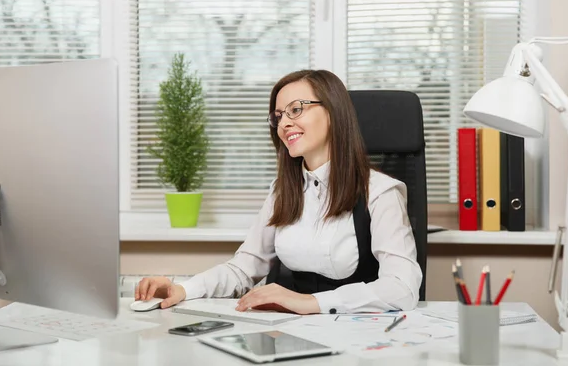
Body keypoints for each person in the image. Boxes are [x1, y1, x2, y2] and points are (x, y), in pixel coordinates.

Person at [135, 69, 423, 315]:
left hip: (360, 336)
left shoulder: (379, 191)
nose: (284, 123)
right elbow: (244, 267)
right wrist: (182, 288)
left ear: (334, 113)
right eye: (278, 116)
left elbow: (402, 288)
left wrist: (309, 302)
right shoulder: (284, 190)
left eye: (296, 109)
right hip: (289, 332)